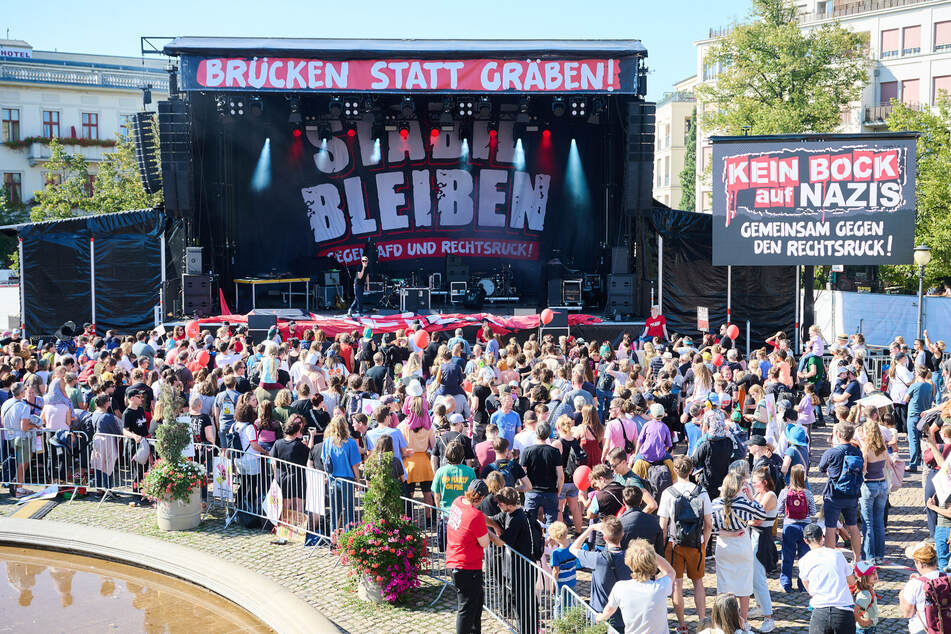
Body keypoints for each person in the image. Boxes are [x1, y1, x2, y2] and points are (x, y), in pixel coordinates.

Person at [658, 455, 713, 634]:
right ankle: (703, 621)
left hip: (674, 545)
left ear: (674, 470)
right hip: (697, 544)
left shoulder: (668, 493)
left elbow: (663, 526)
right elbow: (709, 523)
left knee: (677, 585)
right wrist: (704, 540)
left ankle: (682, 625)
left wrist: (663, 545)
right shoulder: (702, 492)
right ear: (691, 471)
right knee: (698, 582)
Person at [446, 479, 504, 634]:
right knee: (466, 609)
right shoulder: (475, 516)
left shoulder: (457, 501)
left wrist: (493, 524)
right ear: (482, 498)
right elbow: (484, 542)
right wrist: (494, 536)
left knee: (476, 604)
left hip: (457, 561)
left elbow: (478, 516)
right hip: (467, 567)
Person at [711, 471, 768, 629]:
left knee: (723, 587)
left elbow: (708, 527)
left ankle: (723, 621)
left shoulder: (715, 503)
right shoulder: (744, 503)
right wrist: (751, 498)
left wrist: (727, 533)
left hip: (723, 547)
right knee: (744, 588)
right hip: (742, 546)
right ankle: (743, 622)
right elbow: (762, 515)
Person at [594, 538, 675, 633]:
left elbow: (609, 610)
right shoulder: (660, 588)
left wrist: (601, 617)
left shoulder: (620, 588)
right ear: (653, 562)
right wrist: (651, 553)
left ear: (629, 562)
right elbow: (670, 571)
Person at [569, 517, 630, 633]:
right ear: (622, 534)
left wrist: (590, 528)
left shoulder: (597, 559)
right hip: (624, 617)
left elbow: (573, 548)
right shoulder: (631, 557)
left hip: (599, 615)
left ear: (604, 538)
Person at [818, 422, 864, 563]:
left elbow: (821, 467)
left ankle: (831, 561)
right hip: (852, 494)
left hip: (834, 495)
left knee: (830, 527)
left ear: (838, 435)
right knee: (853, 527)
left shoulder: (831, 452)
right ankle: (857, 558)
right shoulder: (857, 451)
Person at [800, 523, 856, 634]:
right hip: (843, 611)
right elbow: (852, 581)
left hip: (820, 613)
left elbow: (809, 589)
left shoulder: (804, 561)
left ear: (805, 540)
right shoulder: (837, 555)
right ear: (822, 537)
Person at [777, 464, 816, 592]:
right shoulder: (808, 493)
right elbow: (813, 512)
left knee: (787, 556)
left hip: (790, 527)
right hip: (806, 528)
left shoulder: (784, 492)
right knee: (804, 558)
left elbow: (779, 511)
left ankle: (786, 583)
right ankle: (802, 584)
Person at [321, 415, 362, 535]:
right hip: (347, 480)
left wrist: (326, 476)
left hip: (333, 479)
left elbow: (325, 462)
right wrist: (358, 481)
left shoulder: (327, 442)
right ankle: (348, 537)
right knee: (349, 509)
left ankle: (333, 538)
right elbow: (355, 465)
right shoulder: (351, 443)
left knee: (335, 510)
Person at [519, 422, 563, 526]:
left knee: (530, 524)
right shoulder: (554, 451)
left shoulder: (527, 451)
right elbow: (561, 476)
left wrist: (526, 487)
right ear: (548, 434)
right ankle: (550, 542)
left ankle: (533, 541)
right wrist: (558, 491)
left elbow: (521, 473)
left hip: (532, 491)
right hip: (550, 491)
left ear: (536, 433)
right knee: (551, 526)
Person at [857, 419, 889, 564]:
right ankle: (880, 555)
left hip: (869, 485)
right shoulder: (882, 447)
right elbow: (888, 463)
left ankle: (869, 556)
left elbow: (863, 470)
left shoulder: (866, 449)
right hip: (882, 484)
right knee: (879, 522)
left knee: (868, 523)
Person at [900, 541, 941, 634]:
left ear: (921, 564)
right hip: (946, 627)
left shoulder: (914, 584)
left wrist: (902, 594)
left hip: (922, 629)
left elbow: (907, 613)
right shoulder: (947, 577)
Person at [619, 485, 665, 554]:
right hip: (648, 562)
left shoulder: (619, 523)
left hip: (626, 562)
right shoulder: (653, 521)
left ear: (624, 501)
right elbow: (660, 552)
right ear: (641, 501)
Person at [906, 366, 935, 473]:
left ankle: (913, 464)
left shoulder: (914, 385)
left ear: (918, 374)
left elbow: (905, 399)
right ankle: (925, 463)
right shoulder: (930, 386)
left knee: (913, 440)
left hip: (913, 415)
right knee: (923, 439)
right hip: (925, 416)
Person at [852, 561, 880, 634]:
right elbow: (854, 611)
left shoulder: (868, 589)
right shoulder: (865, 594)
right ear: (863, 578)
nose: (875, 574)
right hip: (863, 630)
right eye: (871, 573)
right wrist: (862, 621)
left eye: (875, 572)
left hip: (867, 628)